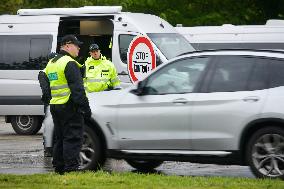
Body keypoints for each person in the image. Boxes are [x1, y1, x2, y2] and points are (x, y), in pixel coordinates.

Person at [44, 34, 91, 174]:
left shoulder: (52, 62)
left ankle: (59, 168)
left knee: (60, 138)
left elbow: (43, 79)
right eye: (77, 46)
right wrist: (86, 109)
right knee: (73, 138)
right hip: (69, 107)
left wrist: (48, 99)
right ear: (68, 45)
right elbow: (78, 90)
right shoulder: (69, 63)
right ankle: (71, 169)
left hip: (55, 106)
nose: (79, 49)